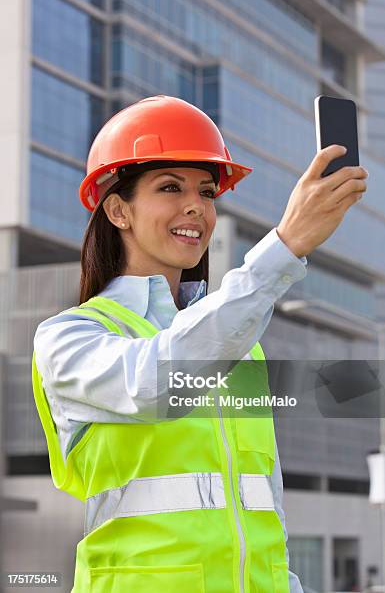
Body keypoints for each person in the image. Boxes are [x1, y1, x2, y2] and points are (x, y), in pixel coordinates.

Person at [32, 95, 368, 592]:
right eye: (170, 187)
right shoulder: (71, 337)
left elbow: (266, 509)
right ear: (118, 210)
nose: (196, 207)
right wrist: (285, 246)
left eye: (207, 192)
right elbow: (158, 383)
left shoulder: (241, 347)